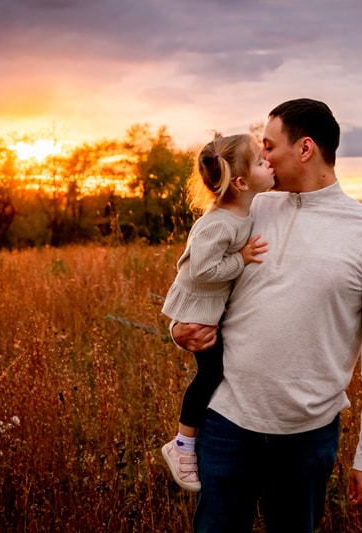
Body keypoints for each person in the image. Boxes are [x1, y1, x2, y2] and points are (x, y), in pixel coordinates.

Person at [171, 98, 362, 532]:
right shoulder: (247, 207)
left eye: (269, 146)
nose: (262, 156)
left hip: (307, 434)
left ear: (305, 149)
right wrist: (179, 329)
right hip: (227, 422)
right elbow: (195, 274)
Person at [160, 133, 274, 492]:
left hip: (211, 309)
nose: (267, 162)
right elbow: (201, 271)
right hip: (199, 311)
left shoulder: (242, 210)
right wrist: (240, 259)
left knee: (215, 373)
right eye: (259, 161)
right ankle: (182, 445)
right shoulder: (220, 223)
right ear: (239, 182)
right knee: (211, 376)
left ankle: (187, 442)